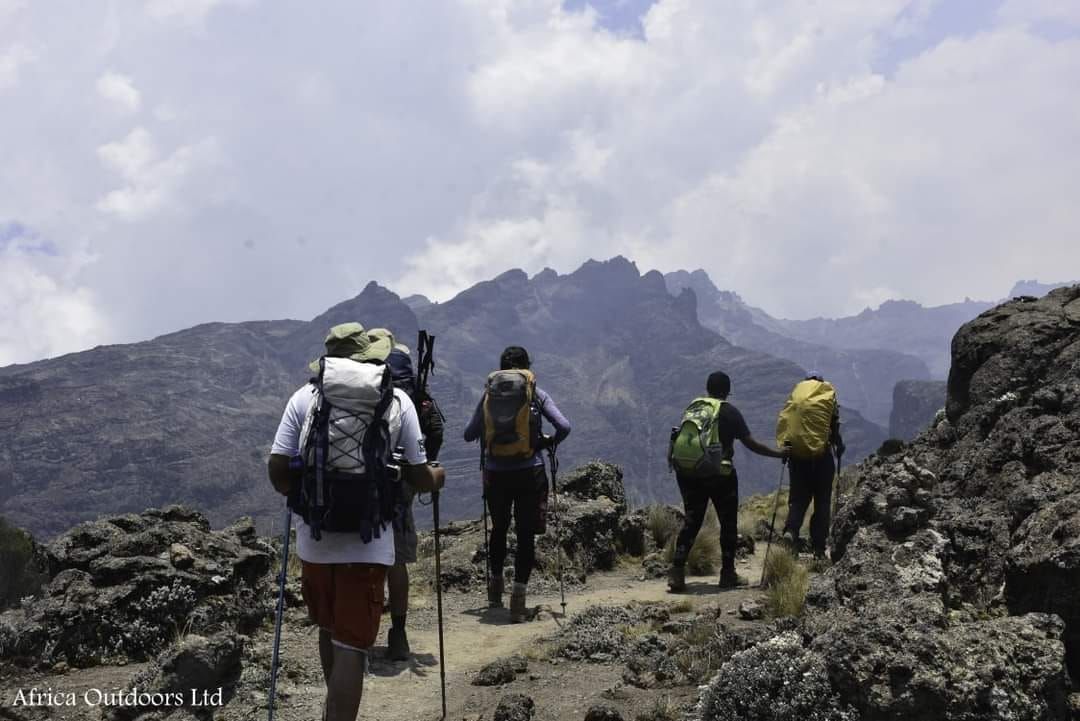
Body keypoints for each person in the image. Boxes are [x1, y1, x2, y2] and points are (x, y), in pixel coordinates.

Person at [267, 322, 445, 721]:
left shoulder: (304, 398)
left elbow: (277, 470)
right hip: (369, 544)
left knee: (329, 629)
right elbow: (418, 477)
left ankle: (335, 705)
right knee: (352, 645)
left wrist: (300, 492)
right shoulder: (396, 399)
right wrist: (437, 477)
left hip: (314, 542)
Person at [463, 345, 570, 623]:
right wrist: (545, 442)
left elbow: (468, 433)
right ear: (526, 369)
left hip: (496, 473)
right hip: (529, 472)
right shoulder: (535, 393)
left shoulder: (489, 395)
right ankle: (518, 601)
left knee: (498, 528)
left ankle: (495, 591)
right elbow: (564, 426)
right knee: (525, 535)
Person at [668, 371, 787, 592]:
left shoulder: (693, 408)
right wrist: (778, 454)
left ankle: (676, 572)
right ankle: (728, 573)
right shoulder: (730, 412)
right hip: (719, 476)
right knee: (728, 524)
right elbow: (751, 444)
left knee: (692, 521)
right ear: (727, 391)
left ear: (708, 388)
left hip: (688, 473)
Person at [377, 331, 446, 661]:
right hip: (403, 481)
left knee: (367, 562)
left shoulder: (368, 385)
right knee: (397, 562)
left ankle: (359, 633)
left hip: (363, 481)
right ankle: (399, 634)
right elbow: (434, 432)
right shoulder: (414, 393)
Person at [781, 373, 845, 561]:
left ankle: (791, 531)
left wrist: (787, 451)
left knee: (798, 499)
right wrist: (839, 447)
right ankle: (818, 548)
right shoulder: (826, 397)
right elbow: (834, 432)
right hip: (821, 458)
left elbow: (788, 426)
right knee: (822, 502)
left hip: (798, 458)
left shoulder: (797, 397)